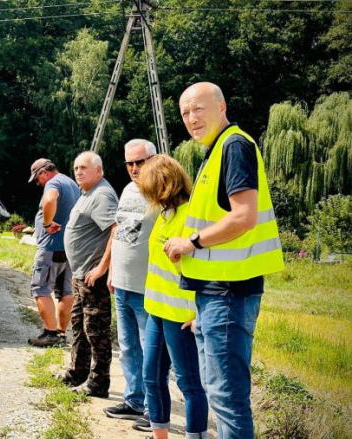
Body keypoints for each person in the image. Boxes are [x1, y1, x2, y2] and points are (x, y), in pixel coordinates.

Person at [164, 82, 285, 439]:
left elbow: (243, 217)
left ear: (221, 107)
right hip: (214, 294)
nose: (191, 118)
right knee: (221, 394)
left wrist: (191, 242)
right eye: (185, 112)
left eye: (198, 108)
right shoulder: (216, 150)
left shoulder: (234, 146)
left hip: (228, 294)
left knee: (227, 397)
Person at [139, 155, 209, 439]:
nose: (148, 196)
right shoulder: (165, 214)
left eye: (150, 189)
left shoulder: (190, 216)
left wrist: (199, 314)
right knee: (152, 378)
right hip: (157, 310)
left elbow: (204, 268)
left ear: (163, 186)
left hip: (181, 315)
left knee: (189, 384)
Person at [103, 139, 158, 429]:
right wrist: (111, 270)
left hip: (147, 286)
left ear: (154, 159)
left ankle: (153, 409)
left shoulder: (163, 191)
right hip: (122, 283)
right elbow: (118, 231)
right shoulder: (126, 190)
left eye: (141, 161)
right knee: (127, 347)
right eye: (130, 163)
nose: (135, 168)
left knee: (151, 350)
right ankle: (134, 401)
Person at [56, 151, 118, 397]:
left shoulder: (102, 194)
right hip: (81, 275)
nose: (78, 172)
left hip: (94, 278)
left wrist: (102, 268)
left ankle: (98, 383)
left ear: (99, 170)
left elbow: (116, 230)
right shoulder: (87, 193)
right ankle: (77, 373)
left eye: (83, 167)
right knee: (80, 327)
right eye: (76, 168)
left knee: (96, 331)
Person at [27, 158, 81, 347]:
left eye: (37, 179)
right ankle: (61, 333)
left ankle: (50, 334)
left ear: (44, 172)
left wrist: (47, 224)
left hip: (51, 247)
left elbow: (50, 199)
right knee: (66, 292)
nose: (38, 183)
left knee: (40, 288)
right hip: (69, 248)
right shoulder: (72, 183)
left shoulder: (54, 183)